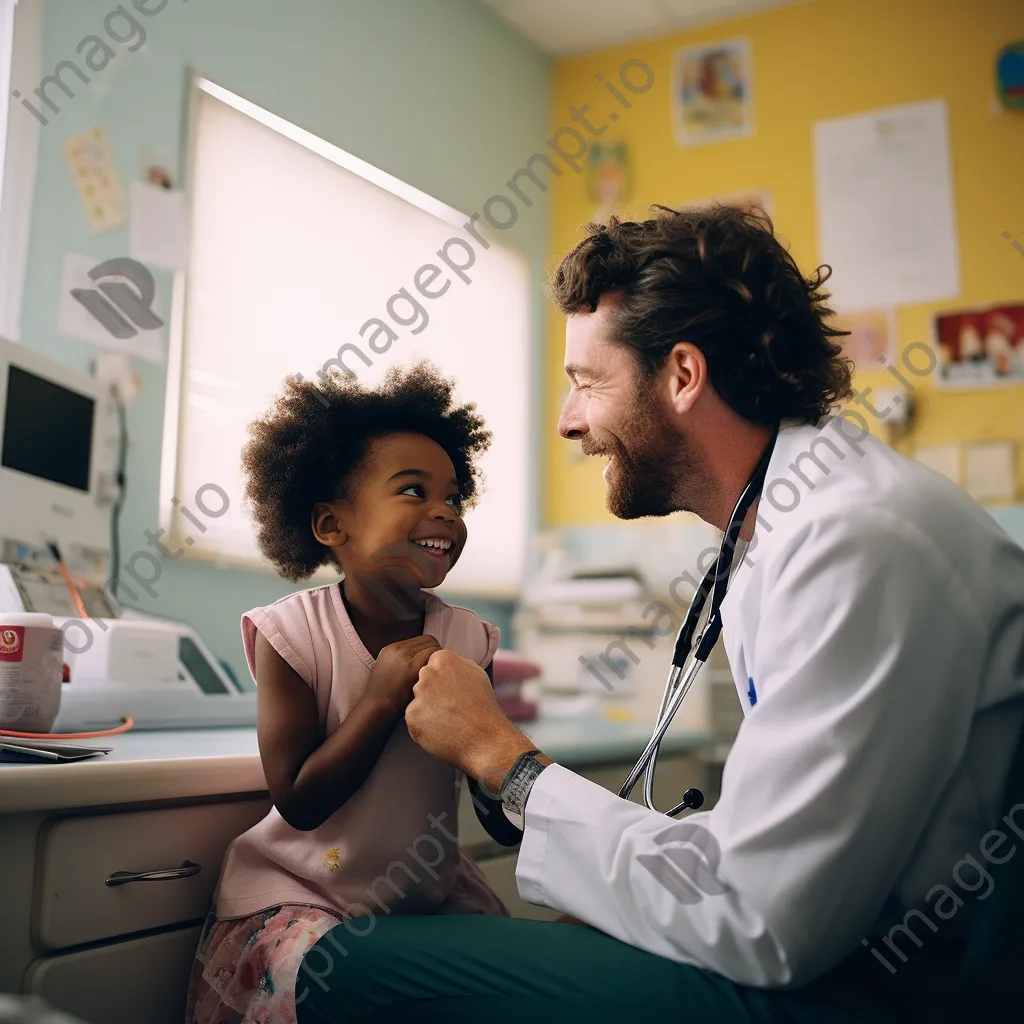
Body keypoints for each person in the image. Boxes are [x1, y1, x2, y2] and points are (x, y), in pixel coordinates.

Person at [296, 206, 1024, 1022]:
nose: (570, 422)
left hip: (903, 988)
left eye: (586, 381)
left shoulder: (855, 540)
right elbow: (764, 851)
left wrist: (504, 758)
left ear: (682, 376)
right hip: (854, 945)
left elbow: (763, 918)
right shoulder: (792, 528)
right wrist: (614, 891)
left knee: (350, 966)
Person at [185, 362, 512, 1024]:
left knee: (511, 974)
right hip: (302, 893)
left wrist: (501, 771)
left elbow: (492, 801)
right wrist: (382, 697)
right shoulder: (293, 634)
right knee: (317, 985)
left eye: (453, 496)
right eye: (413, 490)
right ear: (334, 525)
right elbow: (299, 800)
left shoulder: (471, 639)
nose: (444, 511)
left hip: (420, 890)